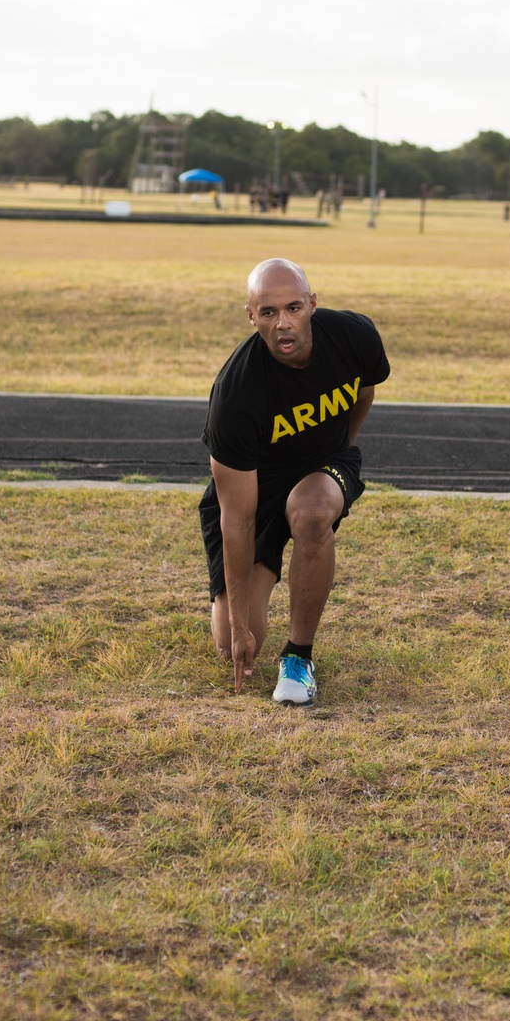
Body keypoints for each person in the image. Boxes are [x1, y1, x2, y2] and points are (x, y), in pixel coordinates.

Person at [200, 258, 390, 705]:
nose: (283, 323)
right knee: (234, 643)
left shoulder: (354, 336)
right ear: (251, 316)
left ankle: (299, 657)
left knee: (311, 512)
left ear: (313, 304)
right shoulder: (235, 396)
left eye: (293, 307)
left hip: (320, 466)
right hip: (256, 489)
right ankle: (239, 614)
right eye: (268, 313)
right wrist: (241, 623)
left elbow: (364, 392)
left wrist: (341, 447)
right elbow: (238, 520)